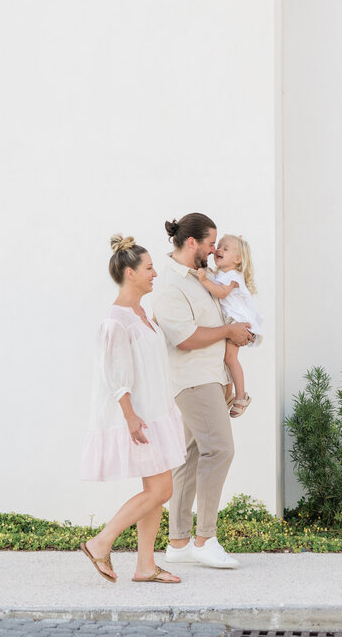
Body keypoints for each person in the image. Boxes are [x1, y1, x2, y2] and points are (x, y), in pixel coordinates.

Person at [79, 235, 187, 584]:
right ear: (130, 273)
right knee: (161, 490)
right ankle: (101, 542)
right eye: (150, 268)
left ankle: (144, 566)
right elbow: (115, 375)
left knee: (157, 491)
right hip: (141, 417)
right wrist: (130, 416)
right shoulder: (116, 321)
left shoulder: (141, 314)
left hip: (156, 411)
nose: (155, 273)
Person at [153, 213, 253, 570]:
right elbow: (186, 339)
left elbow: (211, 323)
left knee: (192, 456)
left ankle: (178, 542)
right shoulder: (170, 286)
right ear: (191, 242)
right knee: (220, 450)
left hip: (207, 376)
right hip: (193, 380)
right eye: (211, 243)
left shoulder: (199, 279)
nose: (214, 250)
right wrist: (229, 332)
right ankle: (205, 538)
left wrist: (225, 371)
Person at [194, 234, 262, 418]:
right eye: (219, 246)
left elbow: (222, 293)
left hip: (237, 322)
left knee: (230, 359)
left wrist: (204, 281)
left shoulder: (233, 275)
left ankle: (241, 396)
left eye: (226, 248)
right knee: (225, 359)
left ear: (238, 259)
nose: (219, 250)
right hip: (229, 322)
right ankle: (228, 395)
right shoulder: (220, 274)